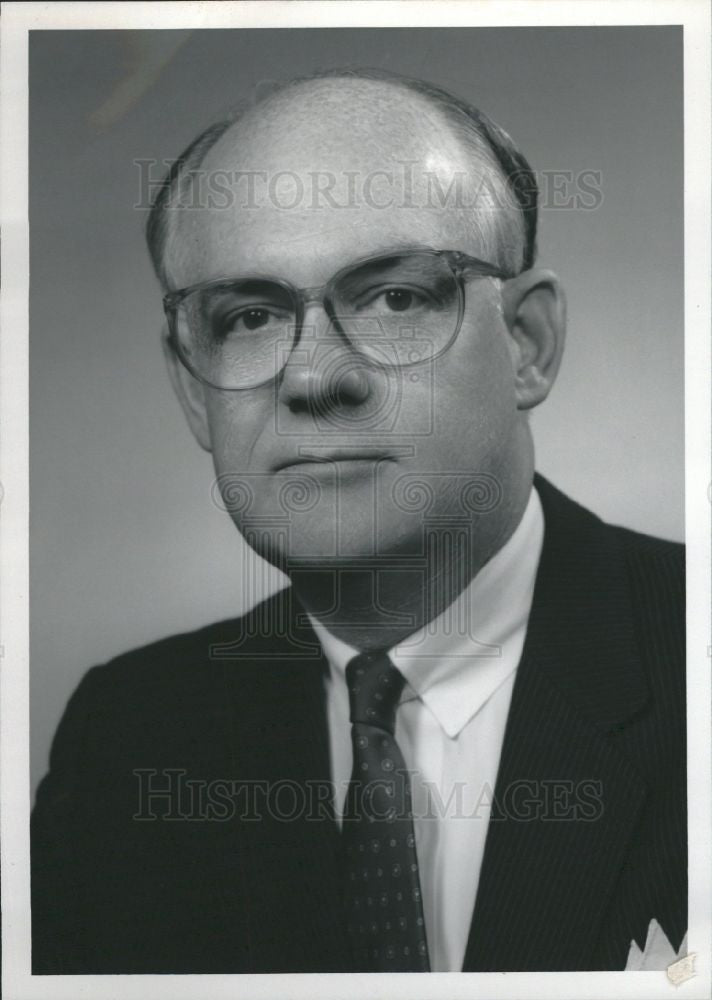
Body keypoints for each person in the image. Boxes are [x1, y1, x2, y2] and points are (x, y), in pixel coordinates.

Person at [31, 69, 686, 974]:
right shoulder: (128, 738)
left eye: (395, 298)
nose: (312, 378)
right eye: (252, 316)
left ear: (528, 346)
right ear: (192, 388)